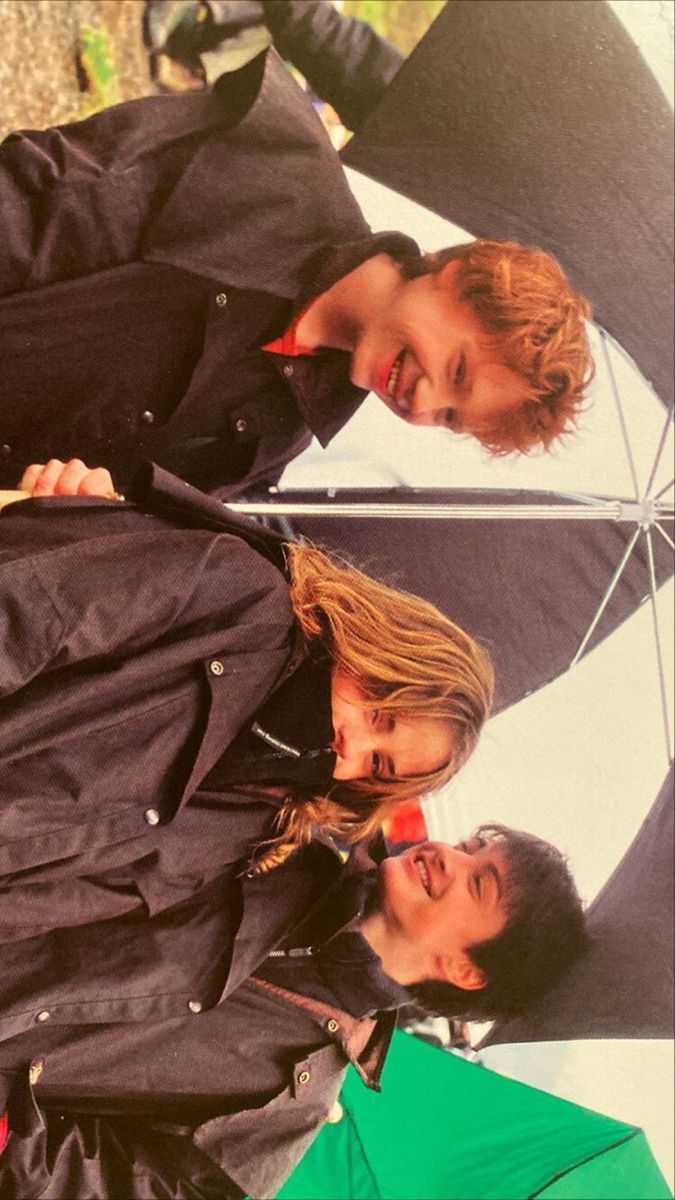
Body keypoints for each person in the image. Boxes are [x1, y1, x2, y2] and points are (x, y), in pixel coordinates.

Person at [0, 46, 593, 495]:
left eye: (449, 418)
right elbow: (42, 188)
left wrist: (89, 509)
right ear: (457, 276)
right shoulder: (272, 160)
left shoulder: (271, 444)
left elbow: (104, 540)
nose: (423, 399)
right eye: (457, 370)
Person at [0, 458, 493, 936]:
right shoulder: (242, 593)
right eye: (379, 711)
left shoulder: (247, 827)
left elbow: (53, 900)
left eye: (378, 764)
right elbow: (28, 617)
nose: (352, 744)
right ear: (378, 647)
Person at [0, 825, 586, 1198]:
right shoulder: (294, 839)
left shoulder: (292, 1102)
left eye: (476, 883)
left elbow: (122, 1189)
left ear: (466, 970)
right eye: (467, 848)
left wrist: (9, 1137)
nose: (445, 856)